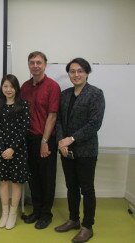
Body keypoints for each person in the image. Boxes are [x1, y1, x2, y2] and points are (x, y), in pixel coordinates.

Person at [54, 58, 105, 243]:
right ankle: (73, 219)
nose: (76, 74)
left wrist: (72, 138)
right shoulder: (65, 94)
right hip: (66, 150)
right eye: (72, 71)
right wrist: (61, 142)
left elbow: (95, 124)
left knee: (87, 189)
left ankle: (87, 226)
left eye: (80, 71)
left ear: (87, 73)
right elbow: (59, 120)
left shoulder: (96, 94)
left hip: (86, 150)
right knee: (71, 187)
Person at [20, 51, 61, 229]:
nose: (35, 65)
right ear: (28, 65)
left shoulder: (53, 86)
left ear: (45, 64)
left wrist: (44, 141)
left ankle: (46, 214)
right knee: (33, 177)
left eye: (39, 62)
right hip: (27, 139)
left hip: (45, 139)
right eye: (32, 62)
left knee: (47, 177)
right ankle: (36, 210)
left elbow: (52, 116)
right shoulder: (24, 87)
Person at [0, 74, 31, 229]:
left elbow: (25, 129)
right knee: (3, 182)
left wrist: (12, 148)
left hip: (18, 150)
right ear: (2, 88)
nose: (8, 89)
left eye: (11, 86)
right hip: (2, 150)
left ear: (16, 88)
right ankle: (5, 213)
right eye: (5, 86)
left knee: (16, 183)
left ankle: (13, 214)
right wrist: (1, 149)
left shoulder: (23, 105)